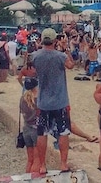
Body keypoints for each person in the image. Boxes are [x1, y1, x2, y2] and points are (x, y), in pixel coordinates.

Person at [32, 27, 75, 176]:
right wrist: (66, 49)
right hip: (60, 101)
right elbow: (71, 65)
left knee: (42, 133)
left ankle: (43, 165)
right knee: (63, 133)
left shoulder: (35, 56)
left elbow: (29, 72)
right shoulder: (60, 56)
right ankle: (63, 163)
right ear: (55, 40)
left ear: (42, 40)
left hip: (43, 102)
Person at [19, 77, 41, 175]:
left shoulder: (22, 99)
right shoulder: (38, 100)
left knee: (30, 160)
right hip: (36, 130)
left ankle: (26, 178)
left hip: (26, 129)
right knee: (37, 160)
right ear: (35, 87)